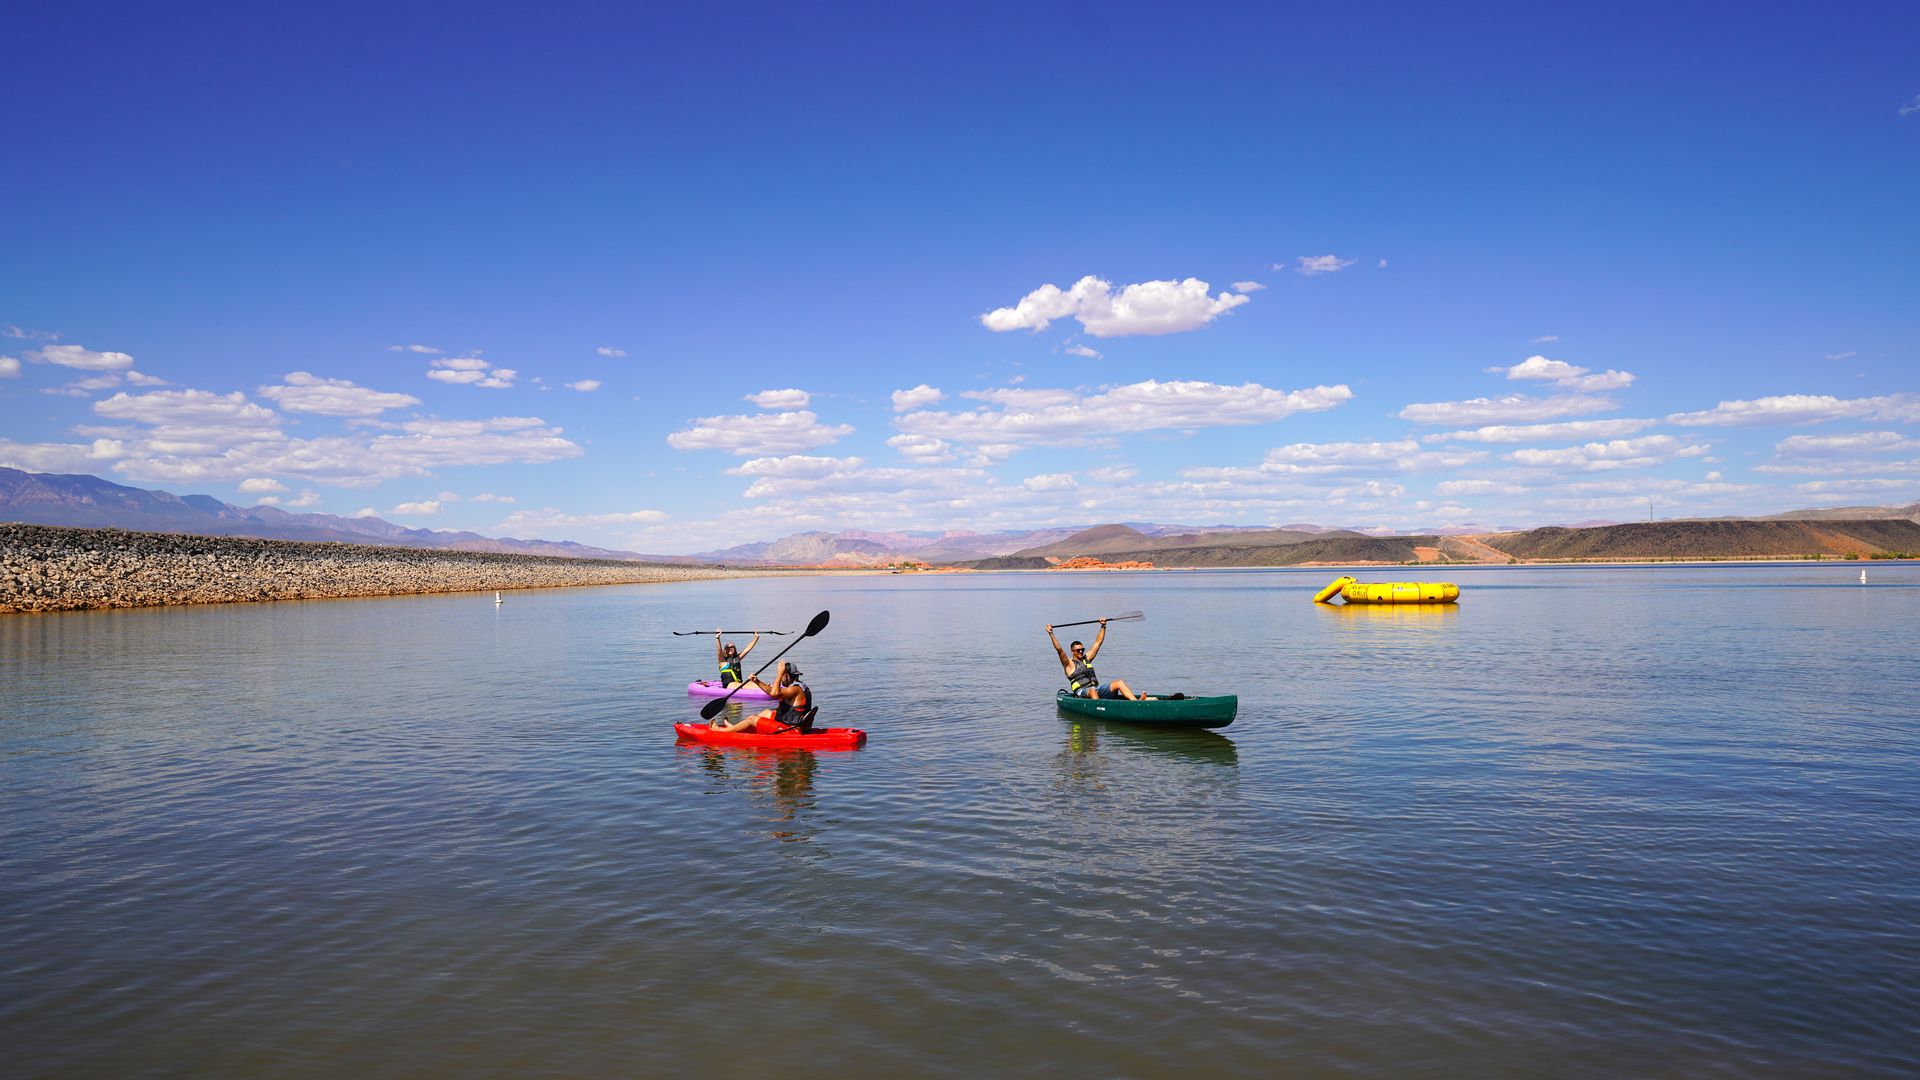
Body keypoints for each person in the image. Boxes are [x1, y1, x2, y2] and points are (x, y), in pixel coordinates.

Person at [1046, 619, 1140, 700]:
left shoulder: (1086, 658)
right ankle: (1098, 709)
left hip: (1096, 689)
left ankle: (1136, 703)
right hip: (1082, 692)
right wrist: (1051, 634)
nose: (1081, 652)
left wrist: (1103, 626)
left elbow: (1098, 643)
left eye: (1082, 649)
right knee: (1092, 691)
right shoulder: (1068, 664)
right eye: (1078, 650)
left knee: (1119, 683)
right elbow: (1059, 650)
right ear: (1072, 651)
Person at [711, 661, 814, 734]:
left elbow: (774, 693)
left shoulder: (794, 690)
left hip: (788, 730)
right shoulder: (796, 687)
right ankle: (735, 728)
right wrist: (757, 681)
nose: (781, 678)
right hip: (788, 724)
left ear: (786, 675)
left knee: (752, 718)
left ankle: (721, 731)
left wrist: (779, 673)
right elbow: (772, 690)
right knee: (766, 713)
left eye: (783, 675)